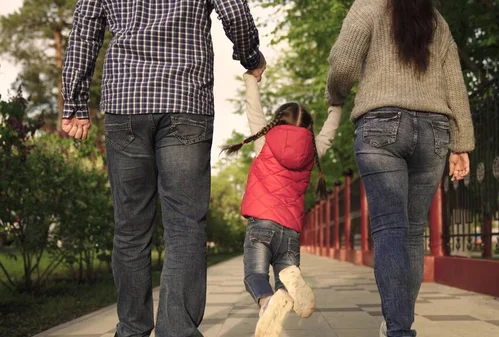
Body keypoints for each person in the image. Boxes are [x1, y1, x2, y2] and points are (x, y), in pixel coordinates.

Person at [60, 1, 265, 336]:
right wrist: (251, 57)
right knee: (185, 225)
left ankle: (132, 329)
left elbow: (85, 30)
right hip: (185, 101)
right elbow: (236, 14)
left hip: (126, 102)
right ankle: (177, 330)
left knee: (130, 229)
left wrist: (75, 103)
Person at [326, 0, 475, 336]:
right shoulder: (435, 18)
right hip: (435, 132)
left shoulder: (368, 6)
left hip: (381, 125)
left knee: (390, 230)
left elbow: (343, 64)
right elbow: (455, 84)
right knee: (411, 233)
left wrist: (335, 95)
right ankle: (399, 323)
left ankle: (398, 328)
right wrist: (462, 143)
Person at [221, 73, 341, 337]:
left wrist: (251, 80)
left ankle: (266, 305)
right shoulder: (312, 150)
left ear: (275, 123)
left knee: (254, 276)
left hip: (261, 225)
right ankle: (286, 285)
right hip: (290, 231)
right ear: (308, 129)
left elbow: (254, 110)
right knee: (283, 275)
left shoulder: (265, 141)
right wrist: (336, 105)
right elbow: (329, 134)